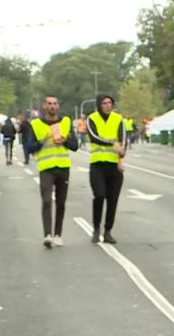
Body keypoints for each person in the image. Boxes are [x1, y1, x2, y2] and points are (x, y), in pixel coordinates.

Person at [25, 95, 79, 249]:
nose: (52, 107)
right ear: (44, 106)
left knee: (61, 203)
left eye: (55, 104)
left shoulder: (66, 122)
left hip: (63, 166)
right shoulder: (35, 124)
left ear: (58, 106)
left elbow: (75, 145)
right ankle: (47, 235)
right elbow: (28, 147)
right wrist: (42, 141)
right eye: (49, 104)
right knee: (47, 200)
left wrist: (65, 141)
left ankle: (58, 235)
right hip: (46, 168)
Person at [87, 94, 127, 245]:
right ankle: (96, 228)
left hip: (114, 166)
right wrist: (111, 143)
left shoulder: (118, 119)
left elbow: (123, 140)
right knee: (99, 195)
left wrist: (122, 154)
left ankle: (108, 231)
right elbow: (94, 137)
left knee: (113, 199)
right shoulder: (92, 119)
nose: (107, 105)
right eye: (104, 103)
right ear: (99, 105)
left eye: (110, 103)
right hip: (97, 165)